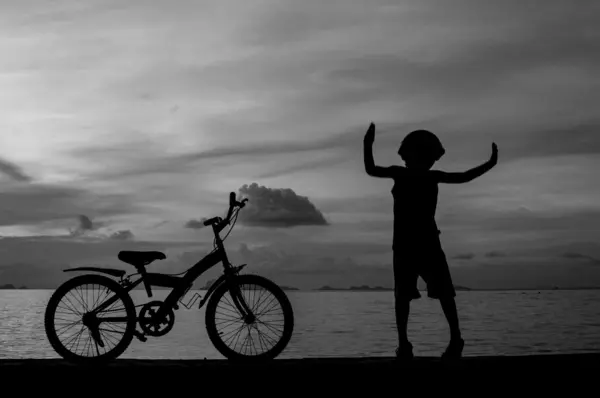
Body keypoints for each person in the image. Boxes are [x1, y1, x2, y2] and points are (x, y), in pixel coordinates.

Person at [363, 122, 498, 359]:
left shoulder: (418, 175)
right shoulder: (409, 174)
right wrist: (367, 144)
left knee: (431, 294)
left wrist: (489, 163)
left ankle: (444, 340)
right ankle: (409, 343)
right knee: (414, 295)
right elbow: (372, 169)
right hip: (412, 245)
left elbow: (464, 177)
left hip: (419, 244)